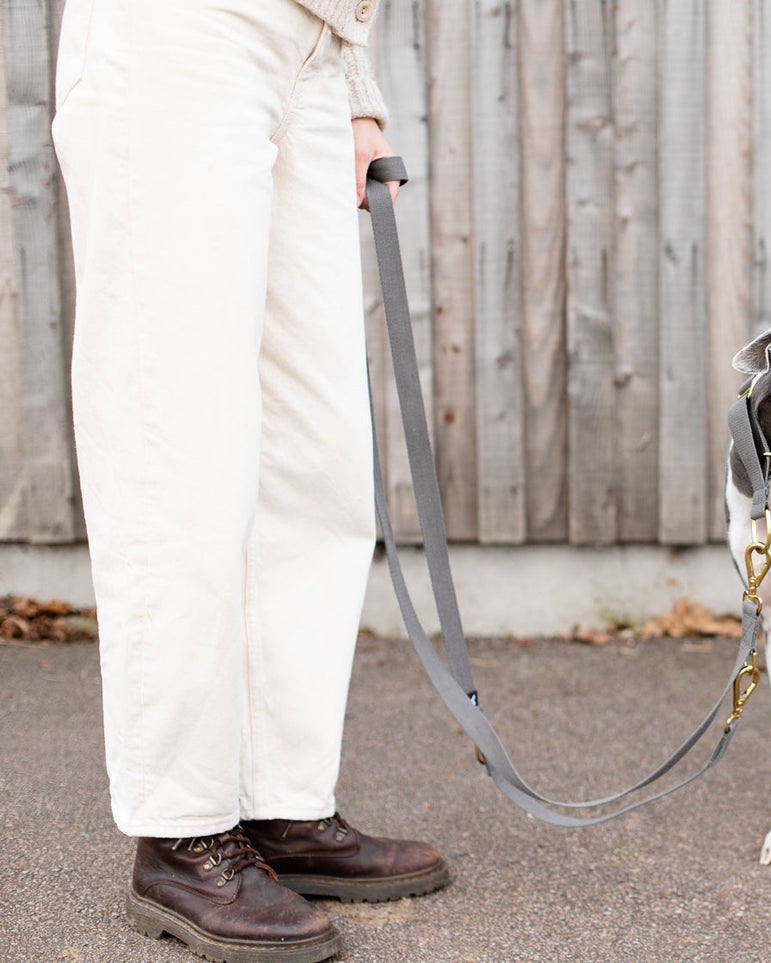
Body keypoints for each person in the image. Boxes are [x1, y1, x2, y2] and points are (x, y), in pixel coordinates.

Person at [50, 2, 447, 960]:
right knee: (175, 439)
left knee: (314, 455)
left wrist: (354, 90)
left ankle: (281, 805)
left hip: (308, 49)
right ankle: (183, 829)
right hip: (180, 32)